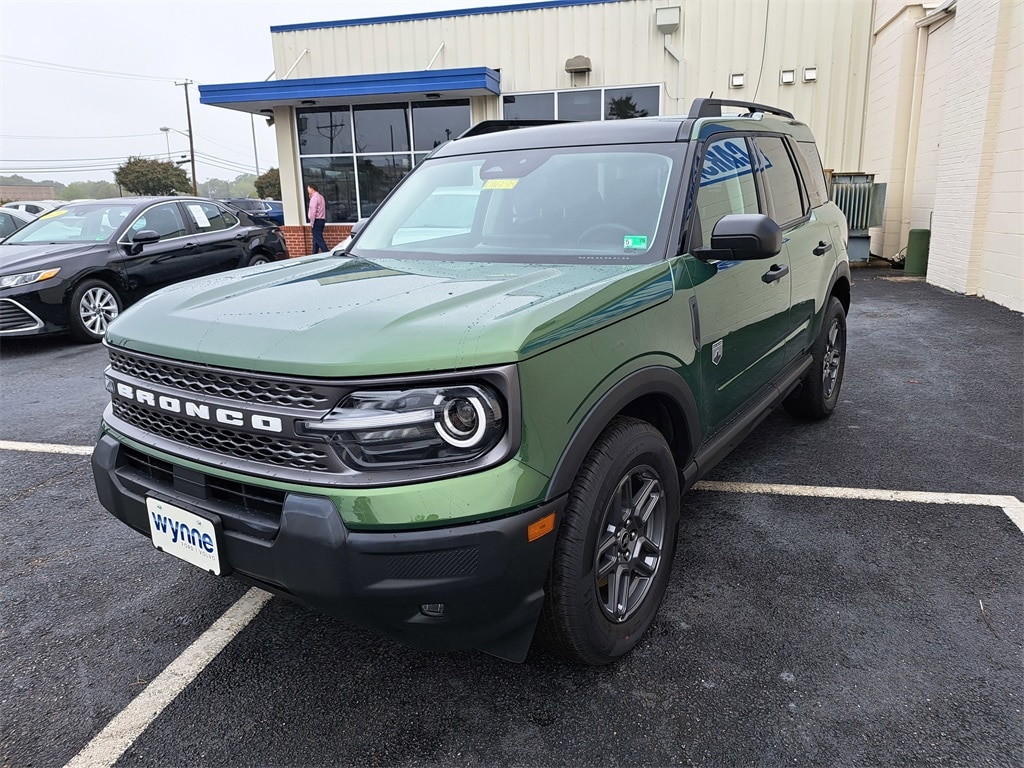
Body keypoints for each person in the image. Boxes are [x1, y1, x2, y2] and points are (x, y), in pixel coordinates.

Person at [307, 183, 328, 254]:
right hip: (322, 220)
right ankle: (314, 253)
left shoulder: (314, 198)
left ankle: (326, 252)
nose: (308, 191)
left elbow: (313, 211)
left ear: (312, 189)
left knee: (318, 238)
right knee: (316, 238)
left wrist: (312, 222)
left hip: (316, 220)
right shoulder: (321, 197)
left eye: (308, 189)